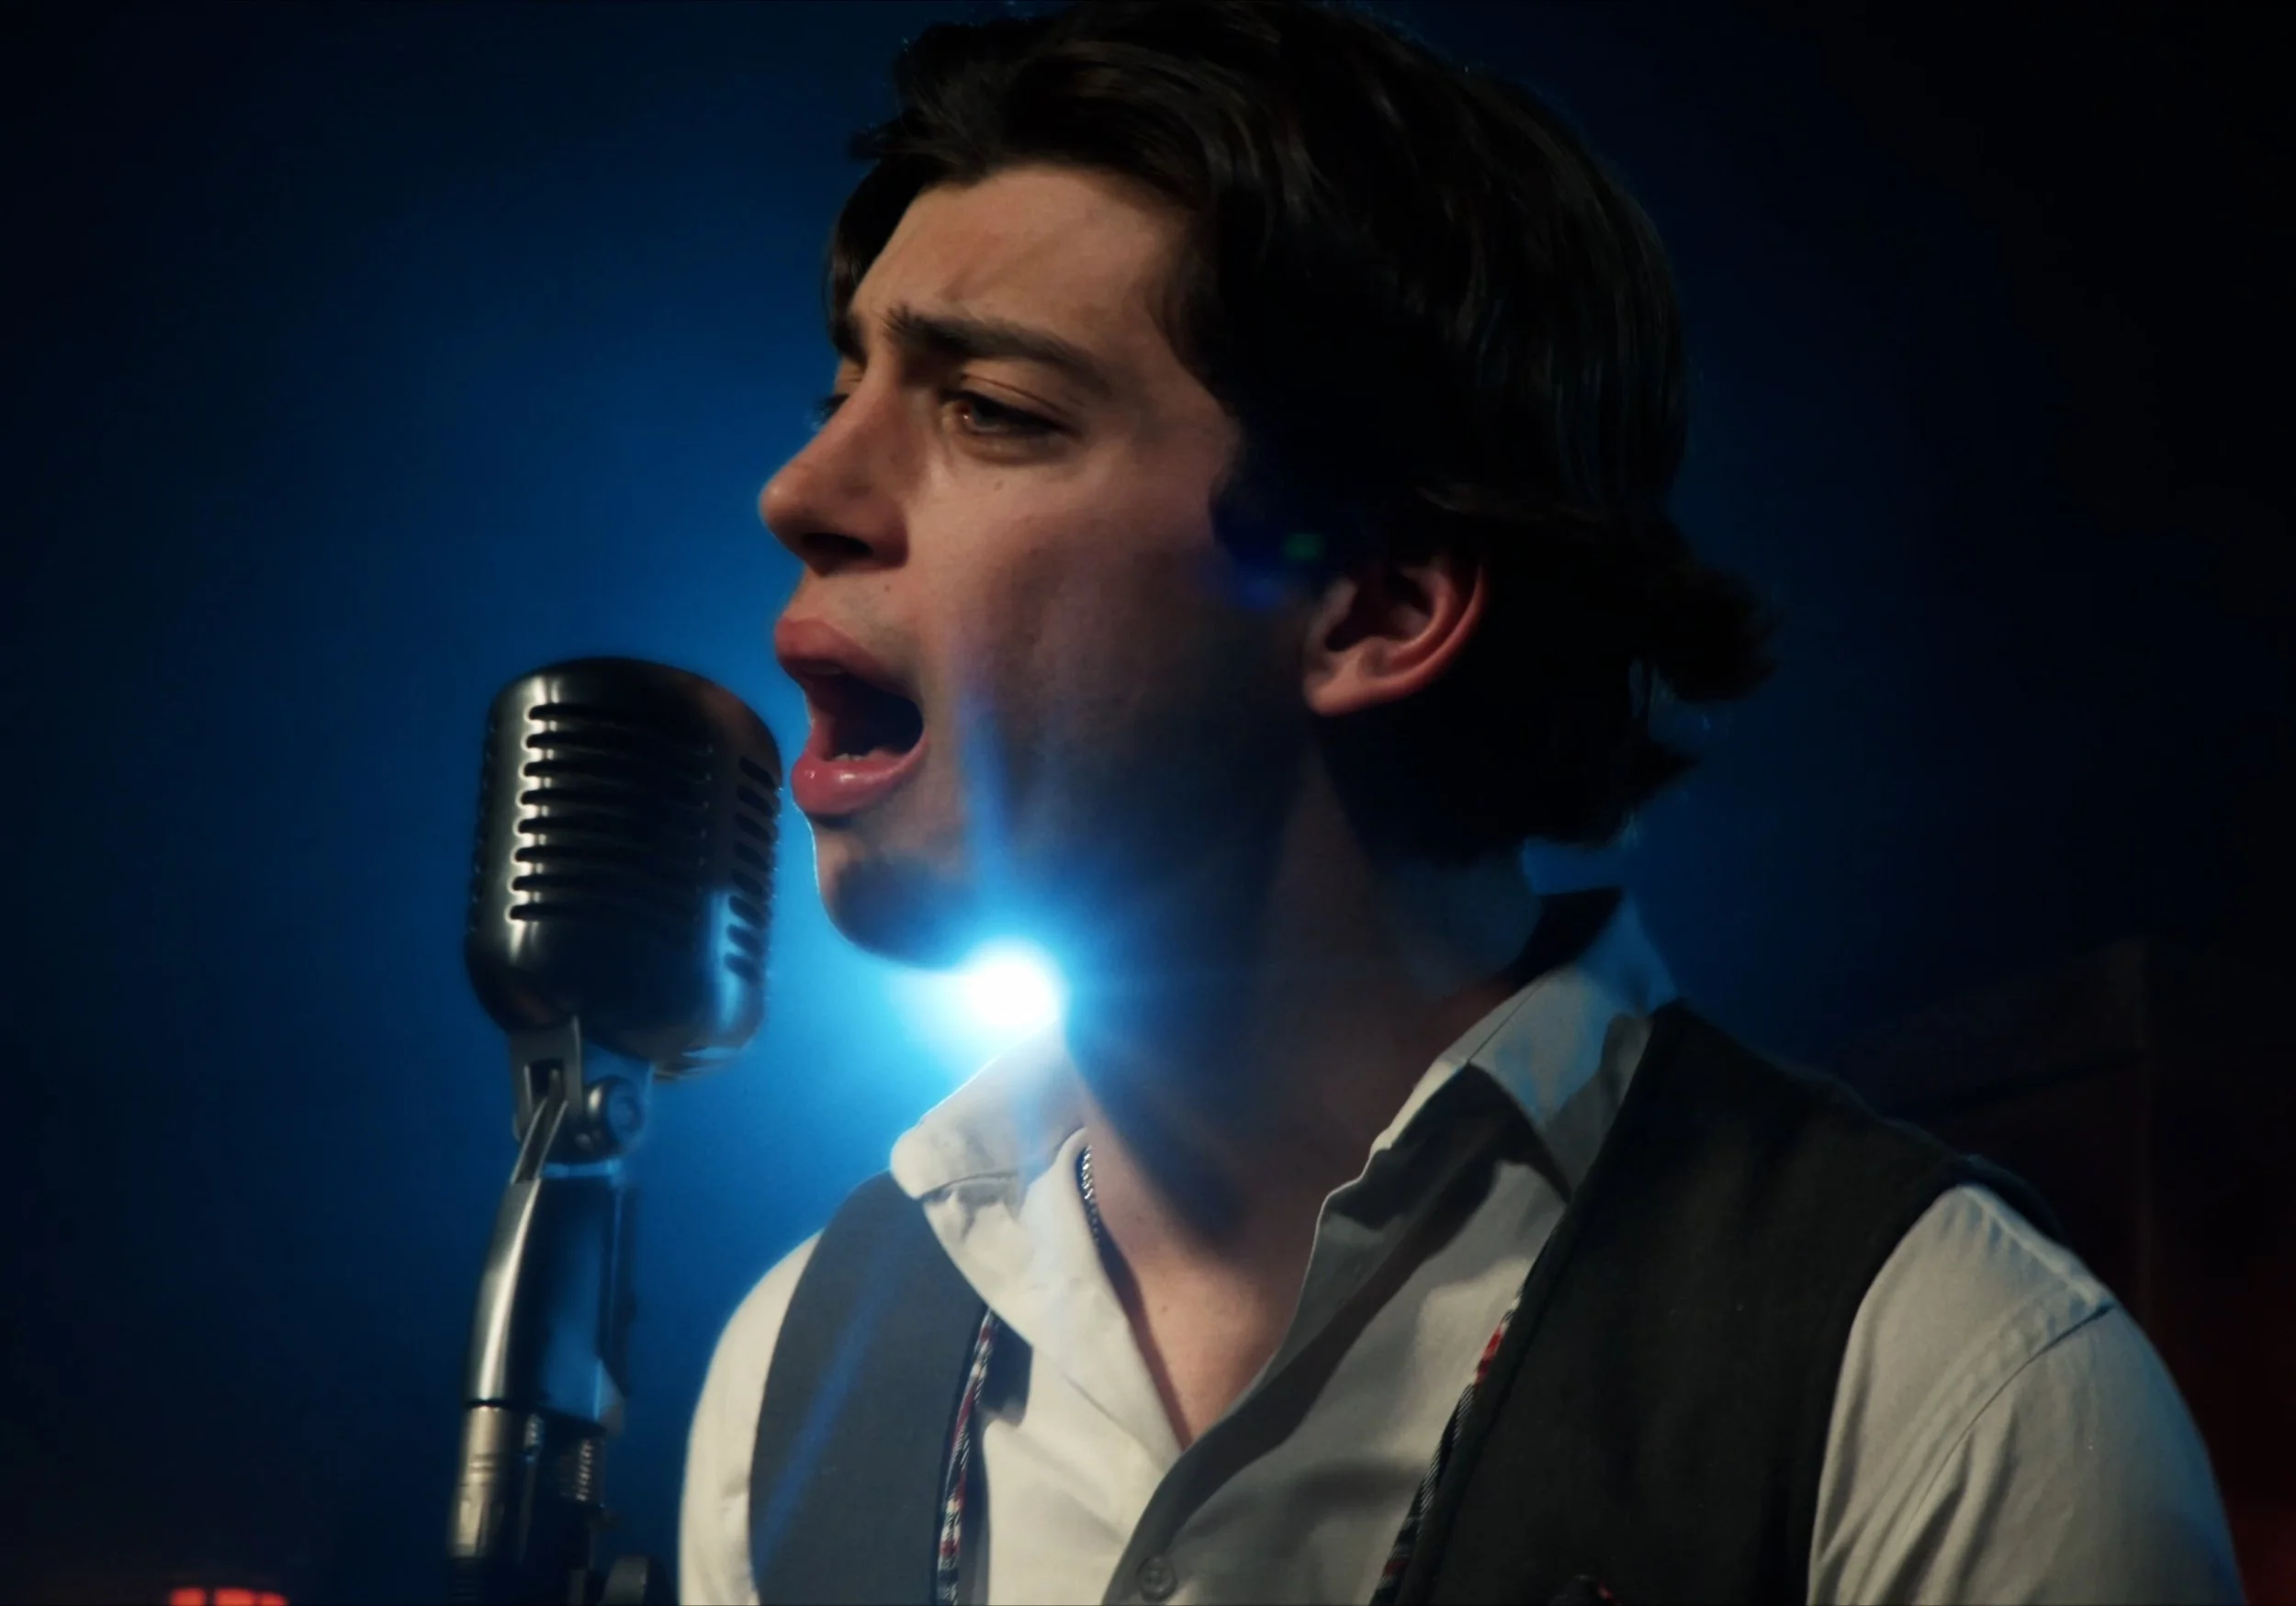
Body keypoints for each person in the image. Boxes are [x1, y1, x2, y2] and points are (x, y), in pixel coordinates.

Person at [681, 3, 2244, 1601]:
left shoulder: (1946, 1385)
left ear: (1374, 606)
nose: (800, 494)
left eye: (992, 409)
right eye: (841, 395)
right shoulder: (784, 1378)